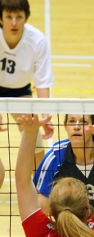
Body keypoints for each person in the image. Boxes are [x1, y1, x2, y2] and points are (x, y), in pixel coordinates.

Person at [16, 114, 94, 237]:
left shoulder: (42, 234)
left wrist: (30, 132)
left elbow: (22, 180)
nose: (76, 127)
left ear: (52, 211)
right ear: (88, 212)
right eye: (71, 121)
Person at [0, 0, 54, 168]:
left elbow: (42, 80)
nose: (14, 22)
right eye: (9, 17)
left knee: (35, 141)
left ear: (26, 18)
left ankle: (40, 186)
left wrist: (45, 116)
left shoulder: (37, 40)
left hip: (20, 92)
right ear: (0, 19)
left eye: (19, 17)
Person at [34, 114, 94, 215]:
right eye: (72, 121)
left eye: (83, 122)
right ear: (65, 126)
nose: (76, 127)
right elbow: (41, 208)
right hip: (68, 225)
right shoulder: (55, 156)